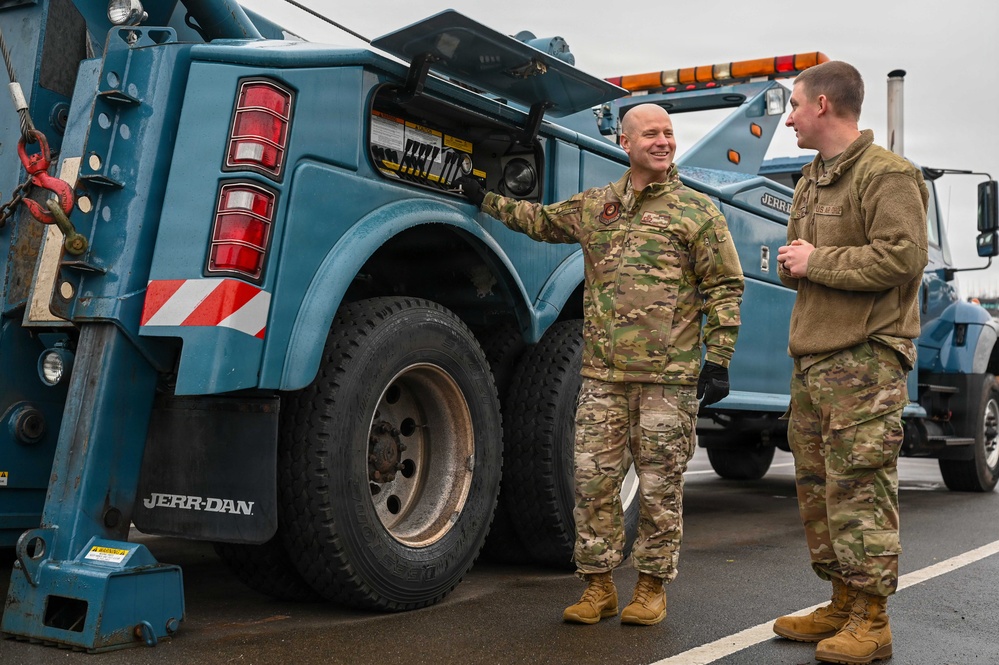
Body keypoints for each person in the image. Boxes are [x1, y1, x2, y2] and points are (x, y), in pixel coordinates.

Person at [454, 103, 744, 626]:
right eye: (651, 134)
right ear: (626, 144)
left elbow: (725, 286)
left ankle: (651, 588)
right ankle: (598, 587)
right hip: (602, 377)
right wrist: (486, 200)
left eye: (669, 133)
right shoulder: (599, 207)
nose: (663, 142)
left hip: (667, 380)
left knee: (659, 488)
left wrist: (717, 359)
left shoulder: (697, 212)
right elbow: (540, 222)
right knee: (592, 484)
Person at [774, 61, 928, 664]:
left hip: (864, 358)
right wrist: (798, 263)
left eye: (794, 104)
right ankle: (842, 600)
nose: (787, 116)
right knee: (820, 488)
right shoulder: (811, 178)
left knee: (862, 488)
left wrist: (818, 263)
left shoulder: (888, 175)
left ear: (824, 105)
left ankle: (873, 619)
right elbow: (801, 256)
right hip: (814, 357)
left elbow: (903, 259)